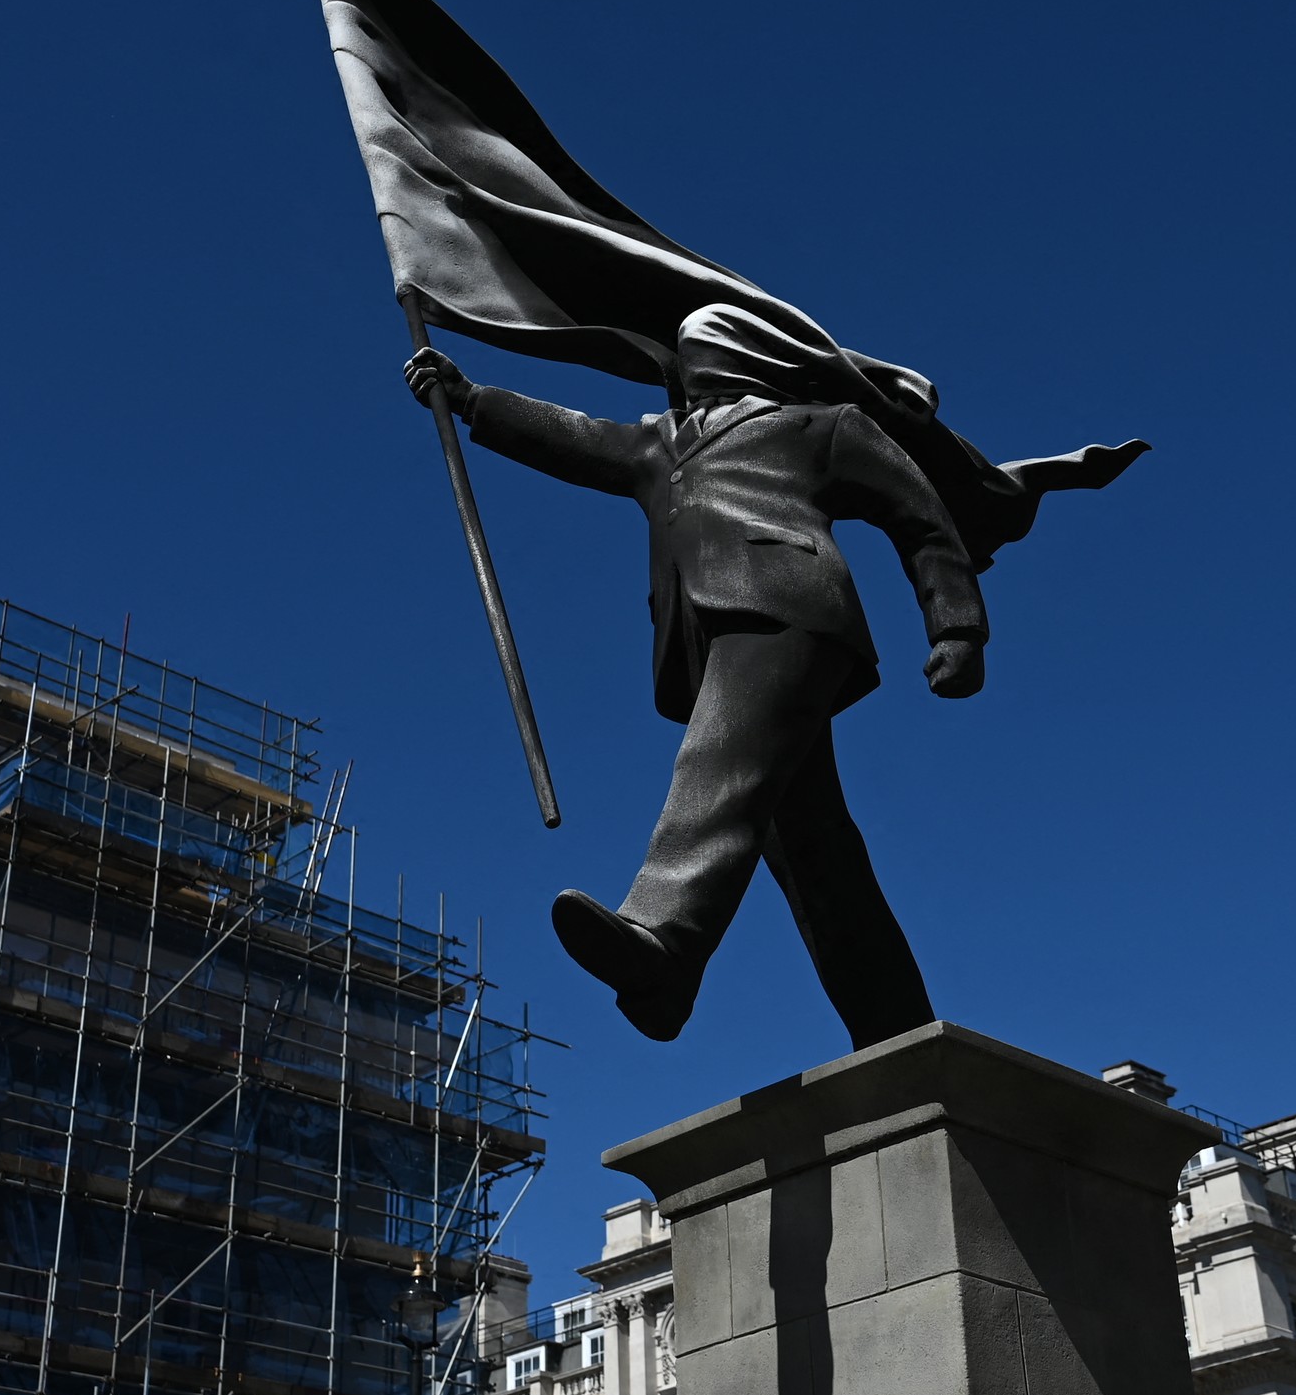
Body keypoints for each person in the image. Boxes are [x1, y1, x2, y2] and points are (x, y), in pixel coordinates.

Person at [407, 303, 993, 1050]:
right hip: (702, 639)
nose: (689, 362)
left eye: (703, 347)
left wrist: (956, 625)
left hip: (790, 607)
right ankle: (895, 1031)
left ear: (750, 356)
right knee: (813, 852)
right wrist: (469, 398)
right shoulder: (659, 442)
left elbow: (921, 517)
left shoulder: (820, 426)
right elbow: (576, 437)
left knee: (716, 761)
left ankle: (663, 937)